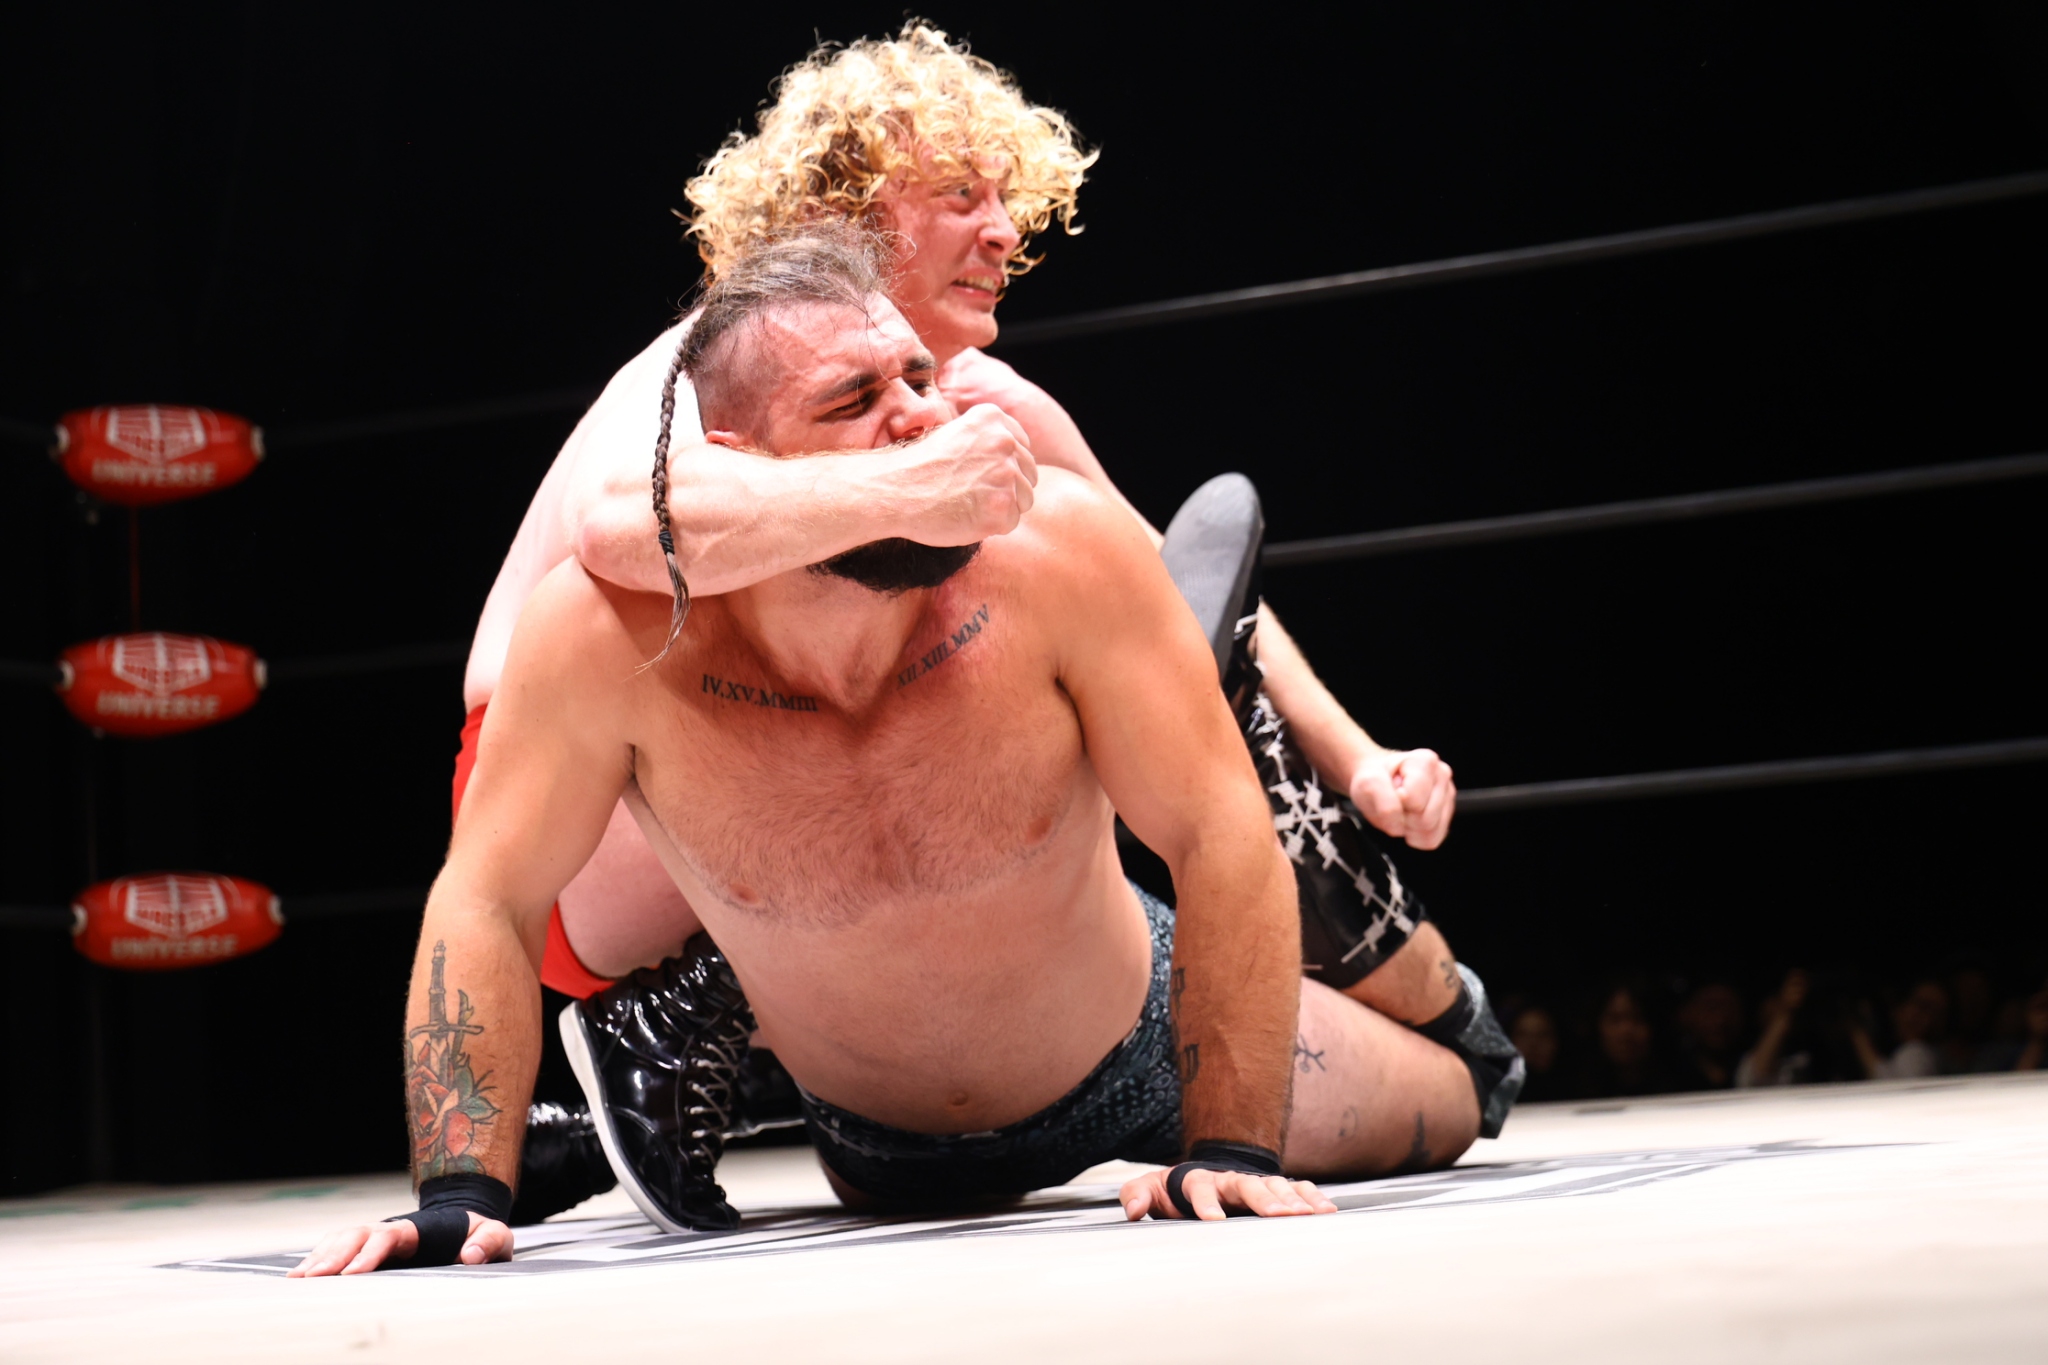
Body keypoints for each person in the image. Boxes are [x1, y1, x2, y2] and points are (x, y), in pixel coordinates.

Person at [289, 230, 1521, 1275]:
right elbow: (488, 897)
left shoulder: (1056, 553)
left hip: (1142, 1040)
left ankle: (1417, 964)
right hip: (878, 1151)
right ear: (741, 473)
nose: (925, 421)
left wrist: (1227, 1147)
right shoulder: (610, 632)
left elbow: (1214, 830)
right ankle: (676, 1045)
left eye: (920, 380)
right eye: (854, 403)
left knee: (1470, 1085)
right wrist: (458, 1195)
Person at [454, 23, 1468, 1217]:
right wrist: (908, 490)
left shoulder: (980, 401)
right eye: (957, 197)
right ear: (842, 206)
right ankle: (681, 1015)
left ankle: (733, 1065)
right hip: (569, 812)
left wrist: (1356, 758)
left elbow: (1182, 590)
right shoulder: (711, 363)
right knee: (905, 710)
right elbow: (623, 530)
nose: (1002, 231)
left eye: (1004, 199)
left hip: (795, 851)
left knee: (1077, 665)